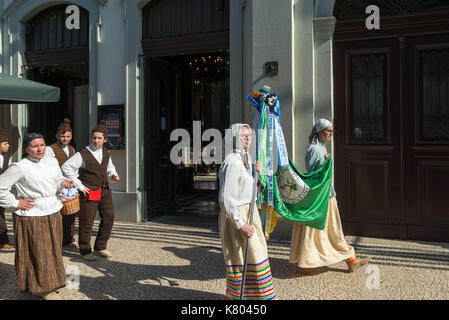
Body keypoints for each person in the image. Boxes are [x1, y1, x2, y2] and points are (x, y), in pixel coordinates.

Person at [289, 119, 370, 275]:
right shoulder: (315, 150)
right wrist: (326, 162)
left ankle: (351, 260)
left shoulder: (320, 148)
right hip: (321, 197)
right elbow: (313, 175)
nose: (331, 134)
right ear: (318, 132)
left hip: (327, 195)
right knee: (317, 231)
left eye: (332, 131)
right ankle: (305, 263)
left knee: (333, 231)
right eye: (328, 131)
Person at [0, 133, 75, 300]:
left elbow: (57, 179)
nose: (39, 149)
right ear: (26, 148)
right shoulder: (20, 166)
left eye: (42, 145)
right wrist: (15, 202)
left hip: (53, 211)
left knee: (53, 250)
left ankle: (52, 283)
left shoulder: (52, 161)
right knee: (39, 251)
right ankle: (43, 289)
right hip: (32, 214)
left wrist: (63, 183)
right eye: (34, 146)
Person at [218, 123, 278, 300]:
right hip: (237, 217)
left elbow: (247, 191)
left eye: (249, 135)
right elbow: (226, 199)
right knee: (242, 258)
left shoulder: (244, 160)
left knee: (255, 256)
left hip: (249, 212)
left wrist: (256, 178)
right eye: (243, 136)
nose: (247, 139)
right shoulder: (232, 163)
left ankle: (236, 296)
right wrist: (241, 224)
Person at [61, 120, 119, 262]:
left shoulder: (106, 152)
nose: (96, 140)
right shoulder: (83, 153)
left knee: (109, 217)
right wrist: (80, 185)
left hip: (104, 190)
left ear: (105, 140)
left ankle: (100, 247)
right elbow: (66, 167)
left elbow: (110, 167)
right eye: (94, 138)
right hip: (89, 191)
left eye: (99, 138)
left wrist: (113, 174)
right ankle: (85, 250)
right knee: (87, 221)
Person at [45, 118, 77, 247]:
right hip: (56, 184)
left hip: (70, 184)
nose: (65, 139)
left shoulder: (72, 149)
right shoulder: (50, 149)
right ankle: (56, 238)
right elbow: (47, 167)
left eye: (68, 136)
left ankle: (68, 239)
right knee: (57, 212)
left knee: (70, 212)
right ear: (57, 136)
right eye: (63, 136)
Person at [0, 130, 13, 250]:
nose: (8, 145)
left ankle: (3, 241)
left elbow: (9, 175)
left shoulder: (7, 159)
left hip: (1, 192)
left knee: (1, 215)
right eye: (5, 143)